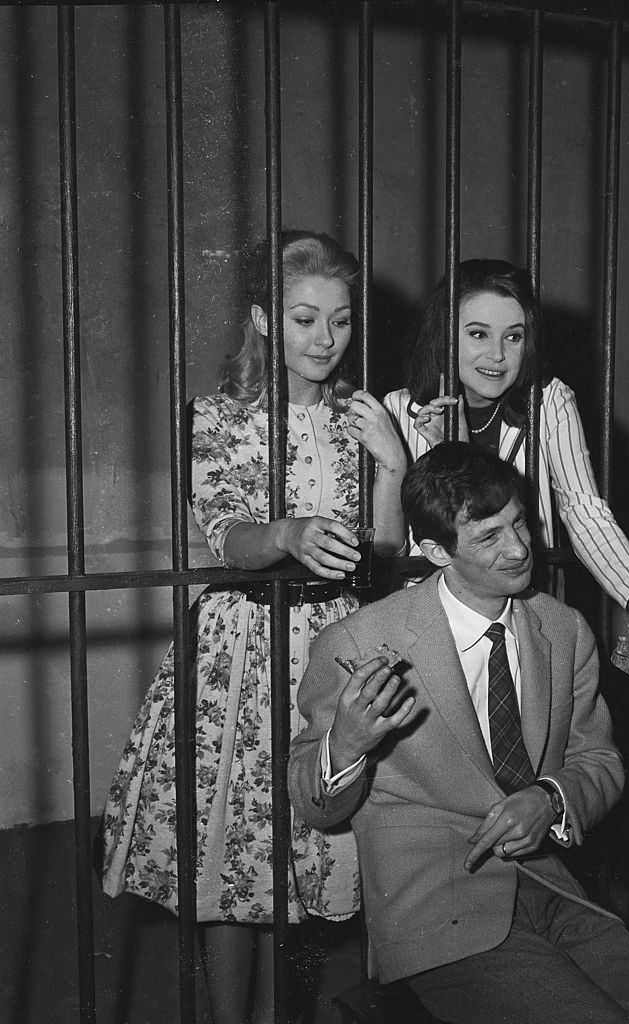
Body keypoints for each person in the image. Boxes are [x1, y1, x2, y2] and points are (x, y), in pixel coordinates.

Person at [288, 442, 629, 1024]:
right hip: (438, 913)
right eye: (489, 537)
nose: (519, 549)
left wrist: (552, 799)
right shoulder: (358, 643)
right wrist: (345, 744)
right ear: (437, 551)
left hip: (555, 887)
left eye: (519, 523)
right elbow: (314, 807)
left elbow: (599, 760)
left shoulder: (562, 630)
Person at [99, 230, 407, 1024]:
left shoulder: (361, 420)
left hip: (334, 645)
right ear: (266, 319)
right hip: (244, 651)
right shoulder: (220, 417)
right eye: (305, 320)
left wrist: (395, 469)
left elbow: (381, 557)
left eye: (339, 322)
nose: (325, 340)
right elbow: (226, 532)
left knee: (304, 851)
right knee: (231, 862)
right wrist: (289, 534)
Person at [383, 257, 629, 652]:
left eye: (513, 336)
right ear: (444, 335)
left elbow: (584, 510)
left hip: (530, 613)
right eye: (478, 334)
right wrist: (453, 452)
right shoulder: (397, 410)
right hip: (434, 622)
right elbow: (402, 543)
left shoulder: (548, 401)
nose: (497, 355)